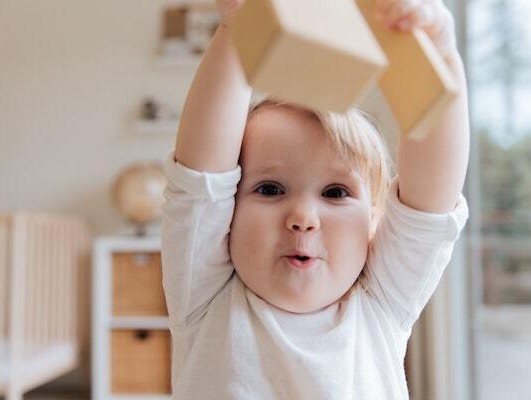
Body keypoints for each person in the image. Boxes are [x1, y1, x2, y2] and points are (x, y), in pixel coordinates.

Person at [161, 0, 470, 398]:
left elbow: (430, 202)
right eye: (270, 189)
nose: (303, 217)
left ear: (373, 223)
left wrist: (441, 57)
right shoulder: (206, 294)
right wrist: (241, 27)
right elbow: (201, 179)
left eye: (335, 193)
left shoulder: (380, 300)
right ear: (227, 214)